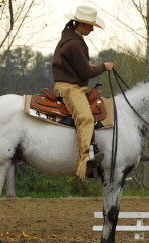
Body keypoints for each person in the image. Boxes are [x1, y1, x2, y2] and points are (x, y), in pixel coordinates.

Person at [52, 5, 115, 180]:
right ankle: (85, 159)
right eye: (90, 25)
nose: (93, 29)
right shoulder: (74, 43)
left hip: (73, 85)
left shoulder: (72, 39)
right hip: (70, 89)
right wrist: (104, 67)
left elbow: (78, 66)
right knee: (86, 118)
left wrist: (91, 66)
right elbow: (86, 73)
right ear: (81, 23)